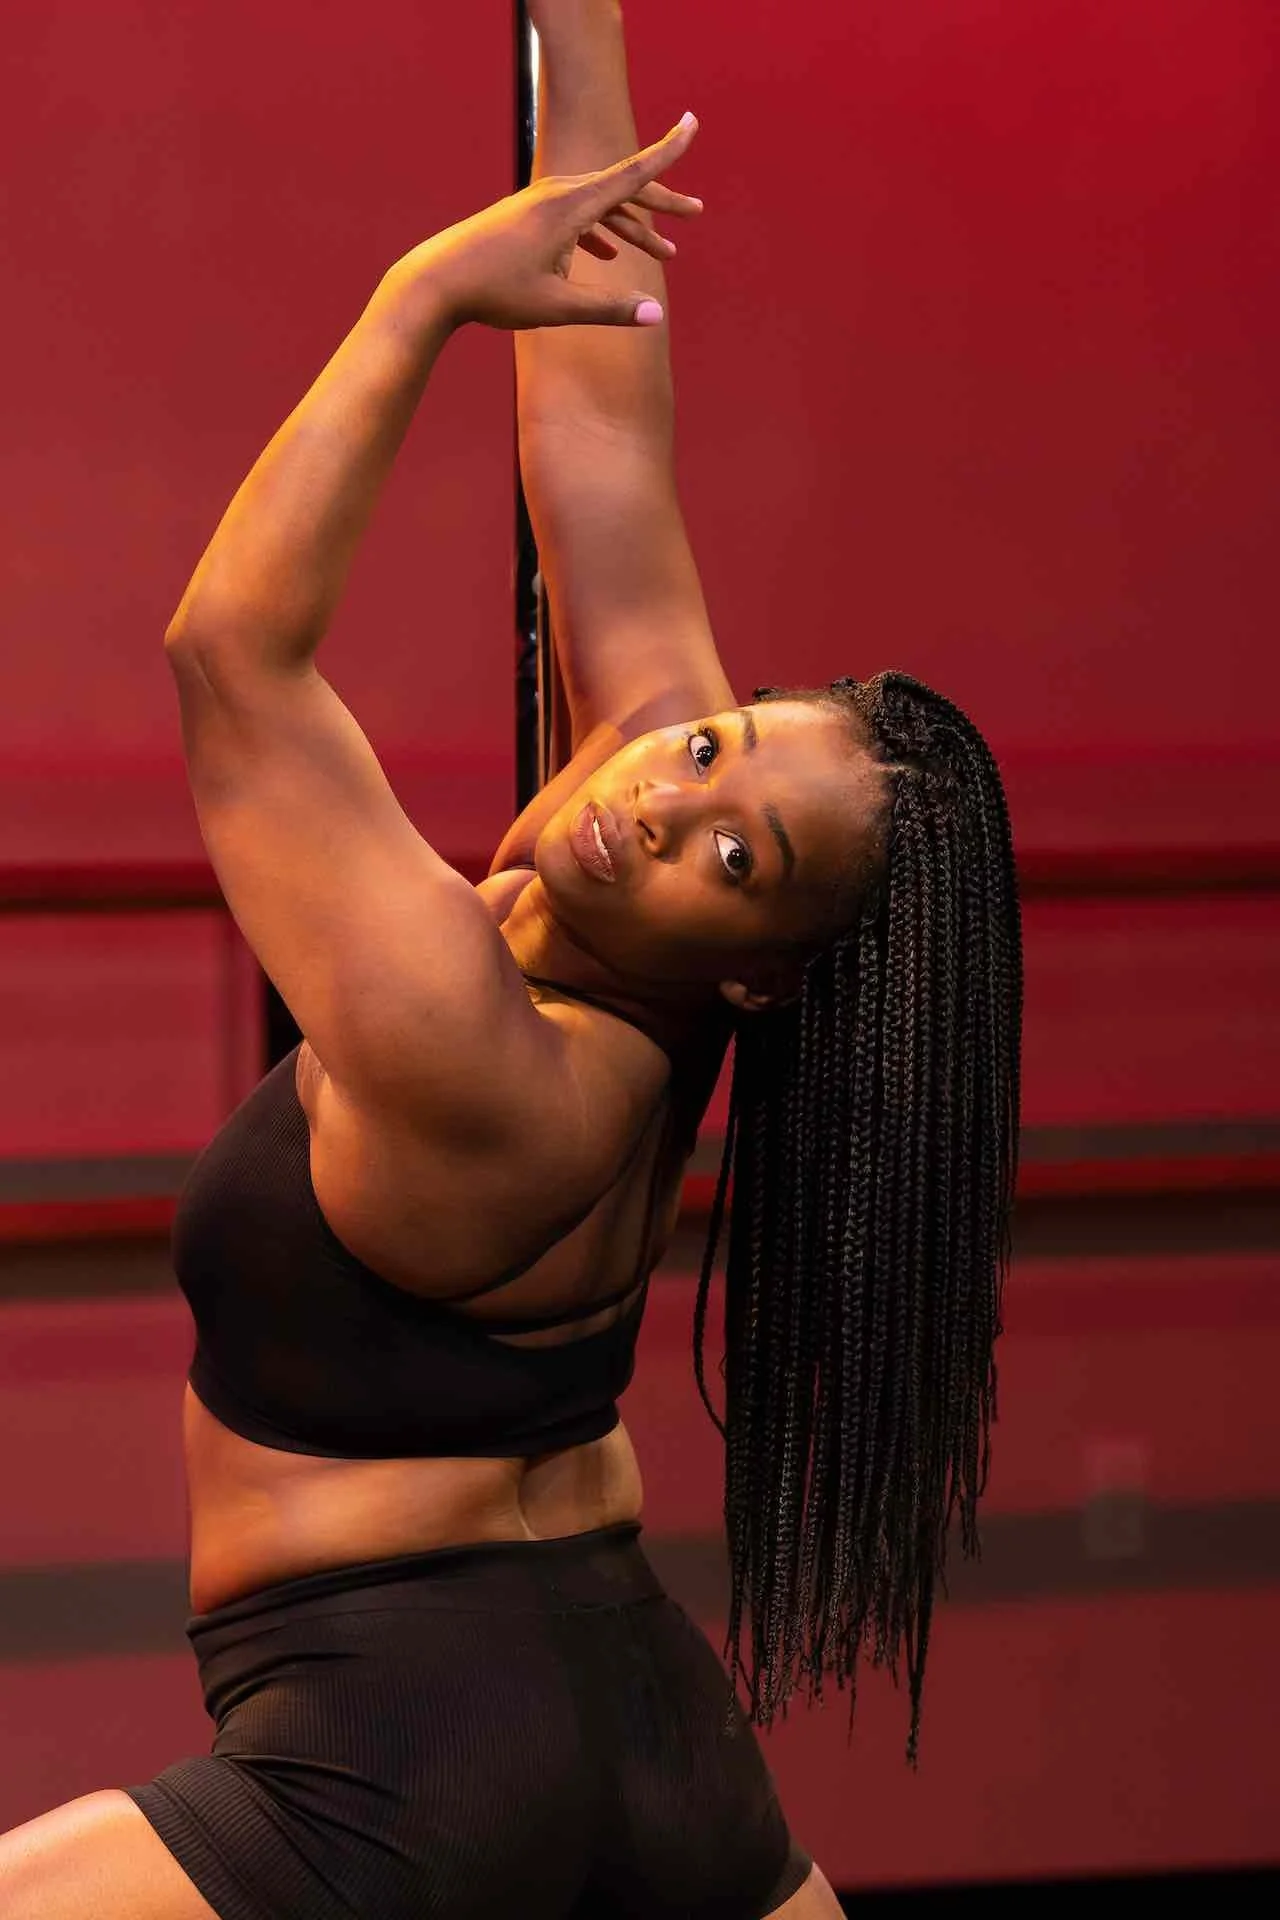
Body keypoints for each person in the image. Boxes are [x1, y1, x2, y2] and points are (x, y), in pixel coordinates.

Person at [0, 3, 1021, 1916]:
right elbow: (604, 421)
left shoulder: (492, 1060)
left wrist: (416, 299)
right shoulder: (651, 871)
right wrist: (582, 16)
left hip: (397, 1759)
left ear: (762, 977)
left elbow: (231, 658)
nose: (668, 791)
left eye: (740, 852)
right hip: (647, 1726)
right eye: (711, 745)